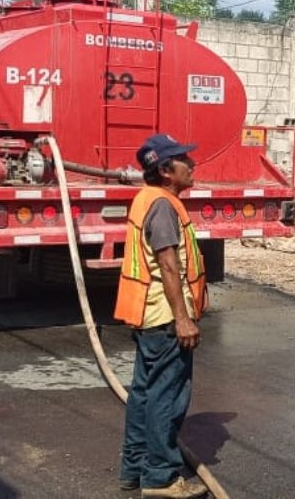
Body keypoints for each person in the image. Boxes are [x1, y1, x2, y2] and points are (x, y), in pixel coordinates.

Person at [115, 133, 210, 499]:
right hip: (165, 318)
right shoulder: (163, 207)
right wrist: (183, 318)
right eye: (184, 160)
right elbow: (168, 266)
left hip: (149, 315)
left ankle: (135, 469)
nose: (193, 165)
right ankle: (160, 478)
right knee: (166, 398)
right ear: (166, 170)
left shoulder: (147, 199)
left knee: (144, 393)